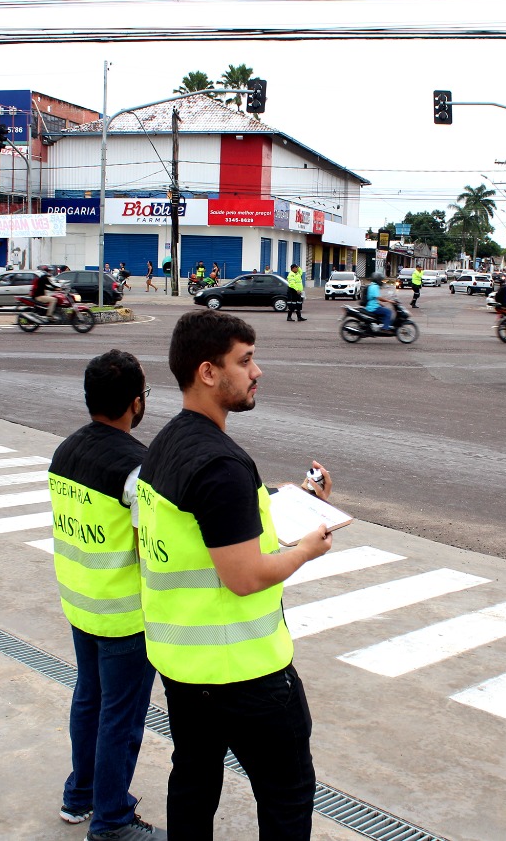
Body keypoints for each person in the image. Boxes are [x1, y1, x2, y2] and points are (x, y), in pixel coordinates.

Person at [137, 310, 333, 839]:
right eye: (245, 361)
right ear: (207, 372)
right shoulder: (222, 465)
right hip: (247, 676)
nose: (257, 372)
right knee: (287, 797)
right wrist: (308, 550)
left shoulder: (167, 446)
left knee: (194, 785)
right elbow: (244, 576)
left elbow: (211, 526)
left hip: (185, 670)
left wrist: (293, 501)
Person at [50, 350, 165, 841]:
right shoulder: (135, 469)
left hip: (80, 602)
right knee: (122, 717)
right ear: (135, 403)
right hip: (123, 615)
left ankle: (81, 795)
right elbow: (153, 545)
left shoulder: (65, 450)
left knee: (89, 700)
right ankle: (112, 819)